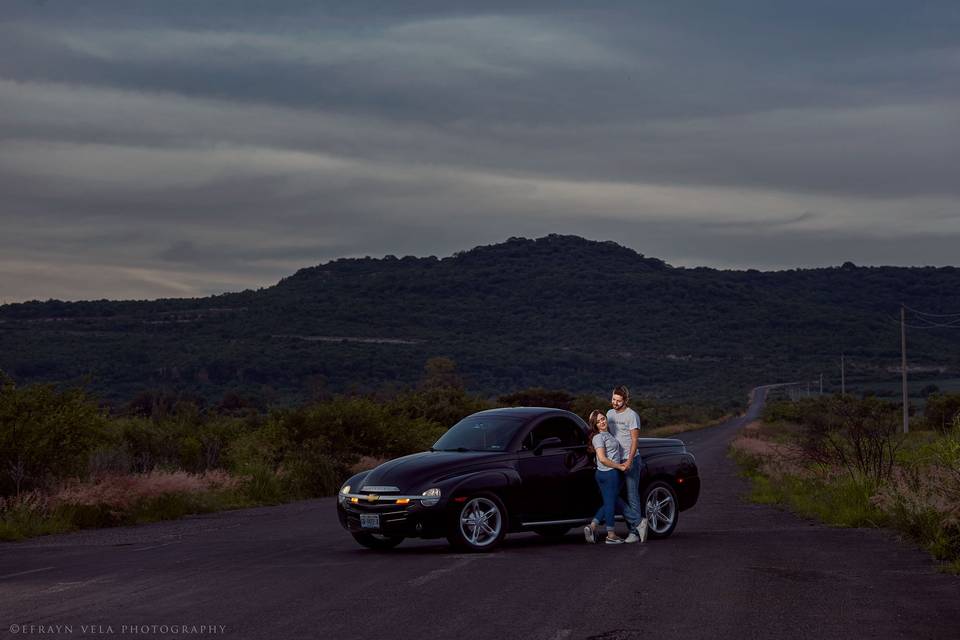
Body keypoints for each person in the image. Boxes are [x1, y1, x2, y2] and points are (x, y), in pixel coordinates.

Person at [583, 410, 634, 544]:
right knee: (610, 503)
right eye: (598, 421)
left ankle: (592, 526)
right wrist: (620, 467)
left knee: (608, 501)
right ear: (595, 425)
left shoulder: (607, 434)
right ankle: (611, 535)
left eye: (603, 419)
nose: (602, 422)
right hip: (609, 473)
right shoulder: (599, 437)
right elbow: (603, 459)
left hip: (607, 473)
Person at [607, 385, 648, 543]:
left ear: (625, 400)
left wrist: (629, 461)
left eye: (618, 401)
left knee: (632, 496)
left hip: (631, 460)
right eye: (613, 400)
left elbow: (635, 440)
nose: (615, 403)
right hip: (615, 461)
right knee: (612, 494)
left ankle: (634, 533)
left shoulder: (632, 416)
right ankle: (638, 522)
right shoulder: (609, 414)